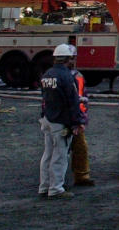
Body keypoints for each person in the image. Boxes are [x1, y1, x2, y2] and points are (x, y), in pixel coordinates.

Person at [38, 44, 84, 199]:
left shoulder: (47, 75)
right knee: (60, 156)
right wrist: (76, 123)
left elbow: (44, 98)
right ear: (68, 59)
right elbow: (73, 101)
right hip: (61, 121)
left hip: (48, 118)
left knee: (48, 154)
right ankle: (56, 188)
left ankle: (44, 186)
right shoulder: (67, 77)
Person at [68, 45, 95, 187]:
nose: (73, 61)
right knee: (65, 150)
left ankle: (81, 175)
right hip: (69, 118)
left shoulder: (77, 76)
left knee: (79, 147)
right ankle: (79, 176)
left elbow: (82, 97)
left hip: (73, 117)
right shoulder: (70, 76)